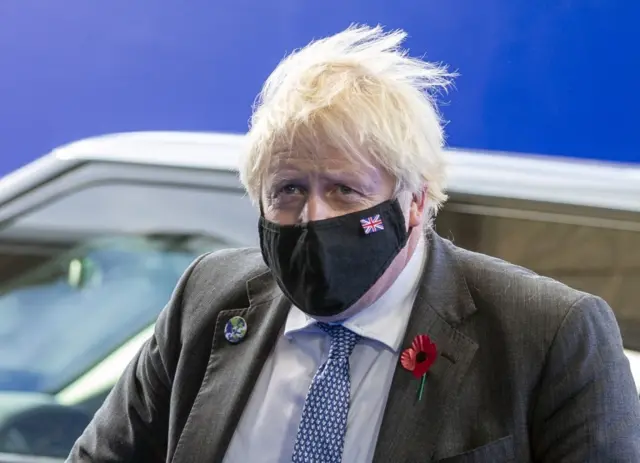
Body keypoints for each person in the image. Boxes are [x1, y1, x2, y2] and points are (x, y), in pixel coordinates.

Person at [67, 25, 640, 462]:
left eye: (344, 190)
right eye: (288, 189)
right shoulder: (208, 300)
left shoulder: (548, 335)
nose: (312, 217)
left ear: (415, 202)